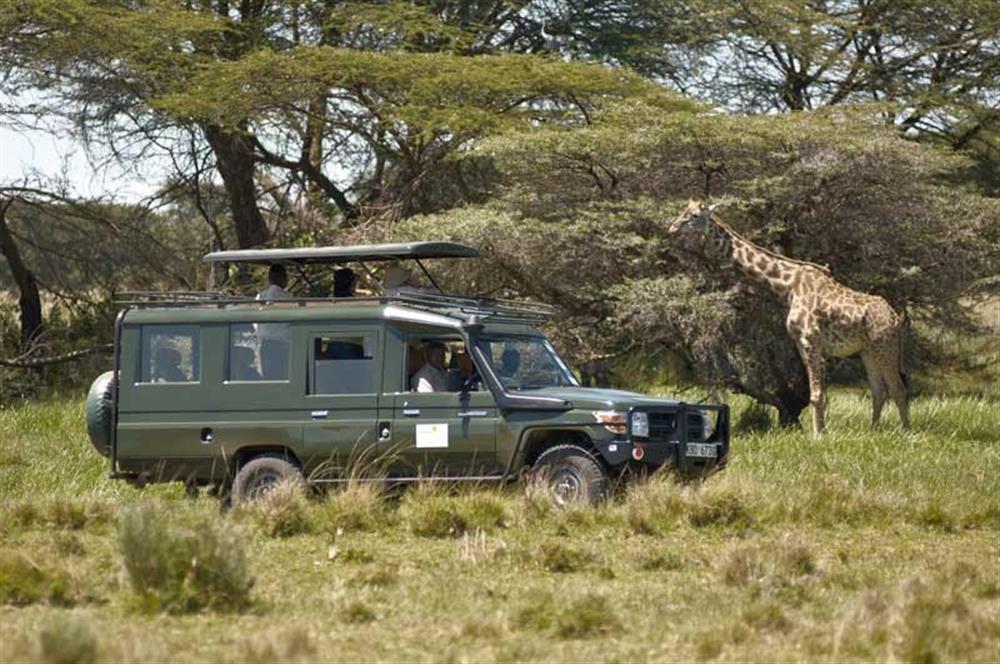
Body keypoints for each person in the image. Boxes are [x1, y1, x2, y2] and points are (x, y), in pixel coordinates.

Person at [256, 264, 291, 379]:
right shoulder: (289, 298)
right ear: (283, 279)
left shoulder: (260, 297)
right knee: (283, 377)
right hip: (283, 346)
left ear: (269, 279)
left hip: (265, 345)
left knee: (270, 378)